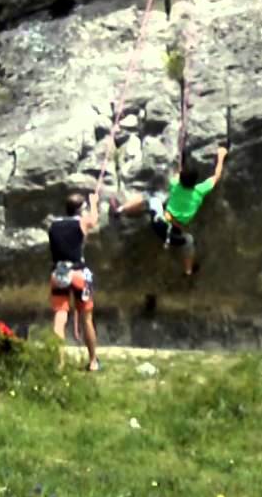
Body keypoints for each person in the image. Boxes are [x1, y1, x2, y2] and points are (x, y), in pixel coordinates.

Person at [111, 145, 228, 277]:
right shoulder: (200, 191)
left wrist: (182, 159)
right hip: (175, 237)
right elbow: (216, 176)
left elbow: (178, 172)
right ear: (196, 181)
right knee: (189, 242)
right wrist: (221, 157)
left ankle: (121, 210)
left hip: (159, 224)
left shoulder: (175, 184)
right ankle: (188, 271)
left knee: (151, 198)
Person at [48, 192, 100, 371]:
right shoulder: (82, 222)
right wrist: (94, 203)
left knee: (59, 318)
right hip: (78, 273)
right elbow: (93, 220)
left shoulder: (53, 225)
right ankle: (93, 361)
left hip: (59, 272)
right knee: (87, 318)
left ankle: (58, 363)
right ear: (81, 209)